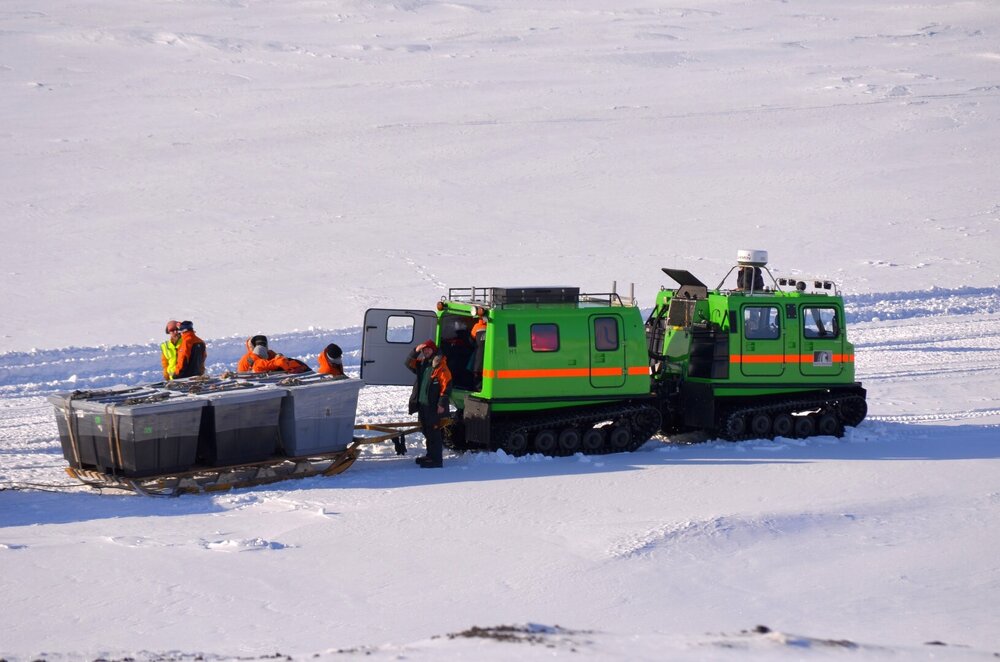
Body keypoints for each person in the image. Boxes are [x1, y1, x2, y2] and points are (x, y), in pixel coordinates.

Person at [405, 339, 452, 468]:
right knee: (426, 430)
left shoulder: (440, 366)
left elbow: (446, 386)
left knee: (434, 432)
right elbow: (408, 363)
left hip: (433, 406)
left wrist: (441, 404)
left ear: (434, 350)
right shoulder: (422, 364)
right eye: (424, 350)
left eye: (428, 350)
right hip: (423, 405)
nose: (426, 352)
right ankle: (430, 455)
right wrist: (415, 351)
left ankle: (436, 460)